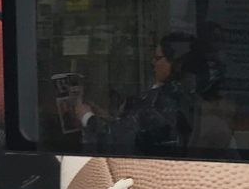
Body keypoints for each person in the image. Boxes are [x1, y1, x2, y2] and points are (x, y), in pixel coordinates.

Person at [80, 32, 208, 156]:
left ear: (175, 63)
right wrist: (108, 118)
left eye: (157, 58)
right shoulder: (191, 96)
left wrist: (86, 117)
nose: (153, 63)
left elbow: (118, 141)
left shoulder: (162, 101)